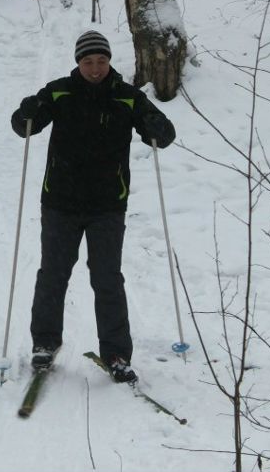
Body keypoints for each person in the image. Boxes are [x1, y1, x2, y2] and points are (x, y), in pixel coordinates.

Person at [10, 31, 176, 384]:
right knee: (53, 275)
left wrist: (157, 128)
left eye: (101, 61)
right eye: (88, 62)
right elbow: (23, 126)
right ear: (78, 63)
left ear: (109, 61)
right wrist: (26, 113)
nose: (95, 68)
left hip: (107, 205)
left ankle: (116, 354)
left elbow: (164, 133)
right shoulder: (59, 92)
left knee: (107, 279)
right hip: (60, 202)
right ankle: (44, 344)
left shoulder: (127, 97)